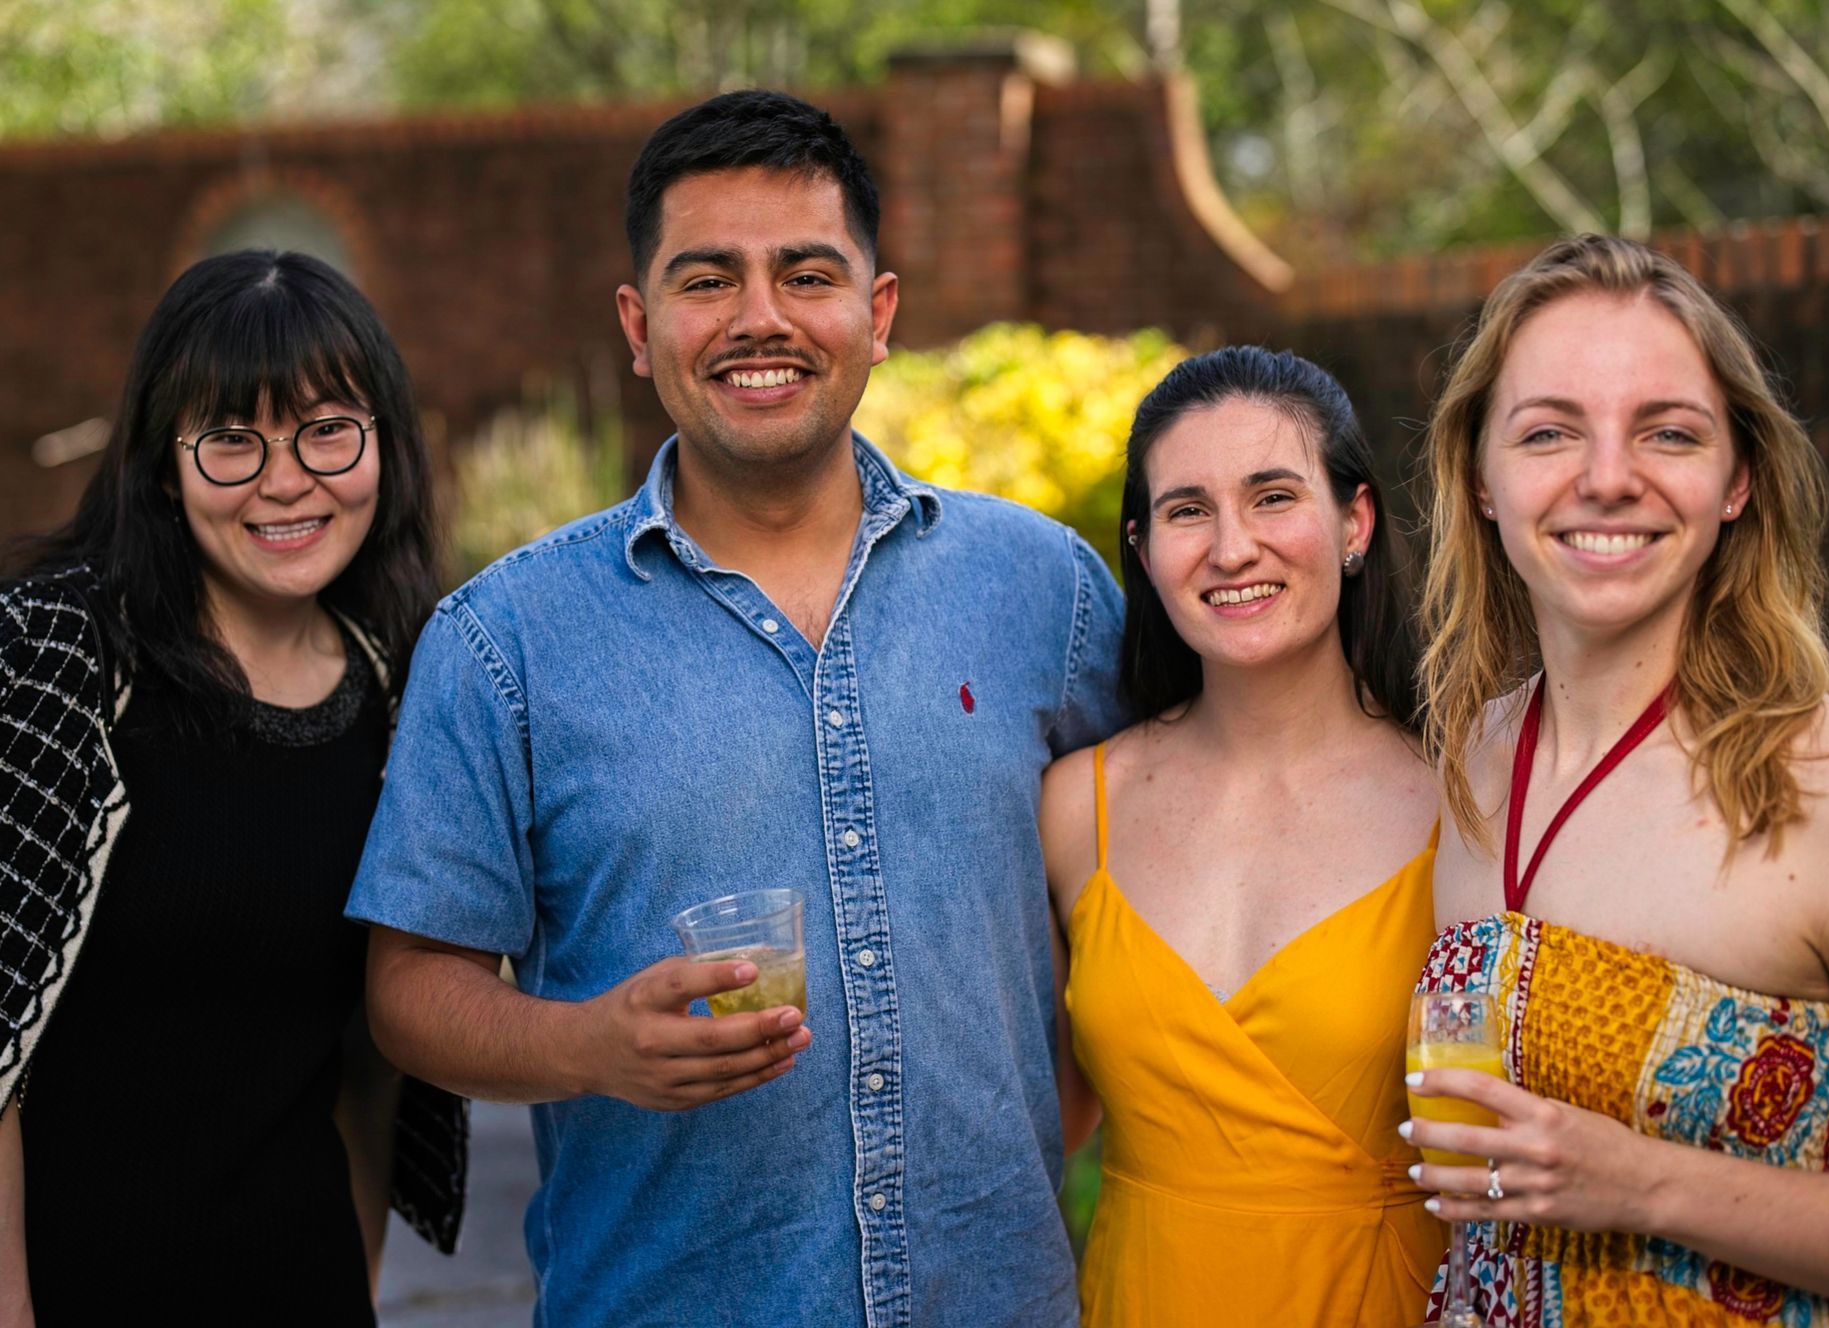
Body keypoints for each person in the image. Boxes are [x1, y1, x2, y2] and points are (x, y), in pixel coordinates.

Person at [346, 89, 1128, 1327]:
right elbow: (409, 985)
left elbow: (1145, 883)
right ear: (639, 324)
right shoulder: (505, 643)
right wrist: (588, 1044)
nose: (759, 319)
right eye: (707, 279)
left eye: (806, 273)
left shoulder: (1046, 593)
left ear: (877, 316)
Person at [1406, 233, 1829, 1324]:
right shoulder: (1462, 766)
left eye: (1668, 432)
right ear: (1481, 481)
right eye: (1548, 431)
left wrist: (1650, 1184)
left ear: (1737, 480)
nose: (1606, 476)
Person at [0, 250, 465, 1325]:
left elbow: (372, 1065)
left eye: (327, 429)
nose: (286, 478)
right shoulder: (51, 660)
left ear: (384, 444)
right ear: (163, 464)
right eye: (231, 439)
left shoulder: (407, 690)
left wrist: (358, 1283)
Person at [1042, 345, 1446, 1325]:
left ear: (1353, 523)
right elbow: (1044, 1118)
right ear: (1142, 550)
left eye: (1273, 496)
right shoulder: (1074, 806)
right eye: (1188, 510)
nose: (1231, 548)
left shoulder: (1464, 803)